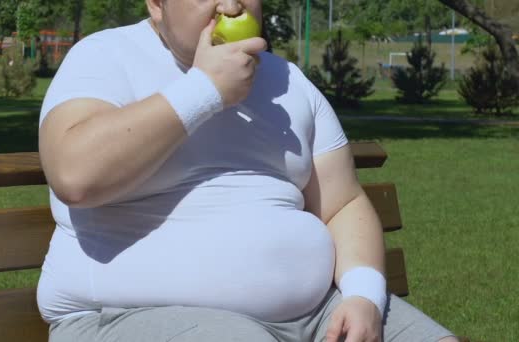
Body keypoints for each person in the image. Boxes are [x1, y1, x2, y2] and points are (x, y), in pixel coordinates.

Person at [37, 1, 459, 341]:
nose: (233, 7)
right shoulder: (105, 55)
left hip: (318, 314)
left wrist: (363, 297)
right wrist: (204, 90)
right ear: (156, 5)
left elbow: (343, 204)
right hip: (128, 316)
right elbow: (75, 176)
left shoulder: (287, 80)